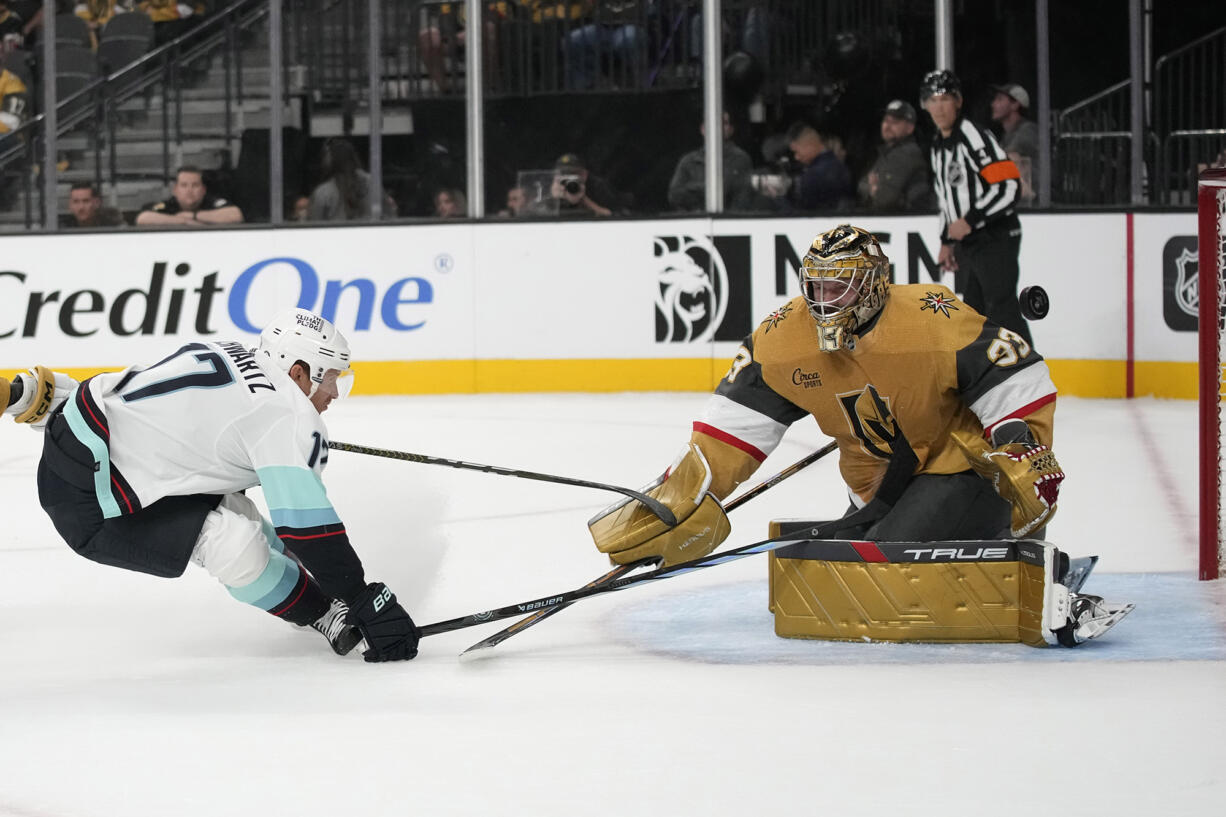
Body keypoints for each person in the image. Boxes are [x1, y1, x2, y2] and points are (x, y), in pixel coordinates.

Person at [587, 224, 1129, 646]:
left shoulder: (930, 319)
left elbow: (1013, 366)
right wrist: (682, 496)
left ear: (871, 285)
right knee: (850, 556)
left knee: (881, 569)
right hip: (878, 481)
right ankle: (990, 551)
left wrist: (1019, 440)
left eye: (838, 286)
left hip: (956, 464)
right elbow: (731, 431)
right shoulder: (781, 339)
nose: (823, 301)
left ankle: (1029, 580)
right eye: (815, 286)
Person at [0, 307, 421, 662]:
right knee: (236, 546)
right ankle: (321, 612)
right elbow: (308, 528)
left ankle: (322, 597)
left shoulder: (228, 349)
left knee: (244, 517)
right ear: (298, 371)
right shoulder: (287, 414)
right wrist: (363, 598)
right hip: (93, 503)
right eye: (330, 378)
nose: (333, 392)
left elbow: (147, 401)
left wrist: (36, 397)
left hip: (86, 427)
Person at [921, 69, 1031, 345]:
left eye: (945, 98)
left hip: (996, 235)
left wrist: (970, 220)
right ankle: (987, 381)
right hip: (973, 241)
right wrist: (947, 240)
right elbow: (947, 198)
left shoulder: (972, 137)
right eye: (932, 100)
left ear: (958, 101)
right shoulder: (938, 144)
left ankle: (1029, 380)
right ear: (924, 105)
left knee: (1001, 310)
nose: (939, 106)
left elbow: (1009, 186)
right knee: (973, 316)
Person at [667, 110, 759, 213]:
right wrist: (706, 188)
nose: (717, 126)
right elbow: (674, 195)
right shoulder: (688, 161)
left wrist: (694, 189)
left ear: (731, 130)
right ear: (702, 129)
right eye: (711, 122)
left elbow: (743, 199)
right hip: (695, 223)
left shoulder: (741, 160)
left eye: (723, 123)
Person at [858, 99, 933, 212]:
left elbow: (885, 199)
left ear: (910, 128)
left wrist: (874, 190)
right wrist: (872, 189)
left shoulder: (908, 153)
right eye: (886, 120)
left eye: (895, 122)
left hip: (906, 221)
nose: (887, 126)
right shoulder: (886, 153)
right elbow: (861, 185)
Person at [562, 0, 645, 90]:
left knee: (628, 40)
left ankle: (637, 88)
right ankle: (587, 90)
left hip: (632, 25)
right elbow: (587, 7)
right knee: (573, 40)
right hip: (602, 27)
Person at [307, 138, 395, 222]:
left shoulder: (323, 193)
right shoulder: (372, 182)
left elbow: (313, 227)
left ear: (329, 161)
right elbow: (389, 216)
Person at [135, 165, 243, 226]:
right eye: (184, 185)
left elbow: (236, 215)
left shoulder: (211, 202)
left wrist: (193, 216)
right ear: (175, 190)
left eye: (195, 185)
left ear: (203, 190)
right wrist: (185, 221)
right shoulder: (169, 205)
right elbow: (143, 218)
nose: (189, 190)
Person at [525, 153, 622, 217]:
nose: (568, 177)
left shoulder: (597, 187)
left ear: (584, 174)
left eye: (573, 173)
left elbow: (616, 216)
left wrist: (583, 199)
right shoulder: (549, 186)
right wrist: (552, 199)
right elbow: (528, 213)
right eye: (563, 173)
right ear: (556, 175)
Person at [785, 122, 853, 211]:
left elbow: (801, 213)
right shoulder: (837, 166)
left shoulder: (814, 175)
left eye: (797, 151)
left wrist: (779, 199)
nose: (796, 157)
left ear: (809, 145)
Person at [989, 83, 1039, 203]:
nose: (993, 104)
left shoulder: (1028, 130)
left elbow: (1009, 159)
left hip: (1035, 204)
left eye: (1000, 99)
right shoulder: (1007, 136)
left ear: (1015, 105)